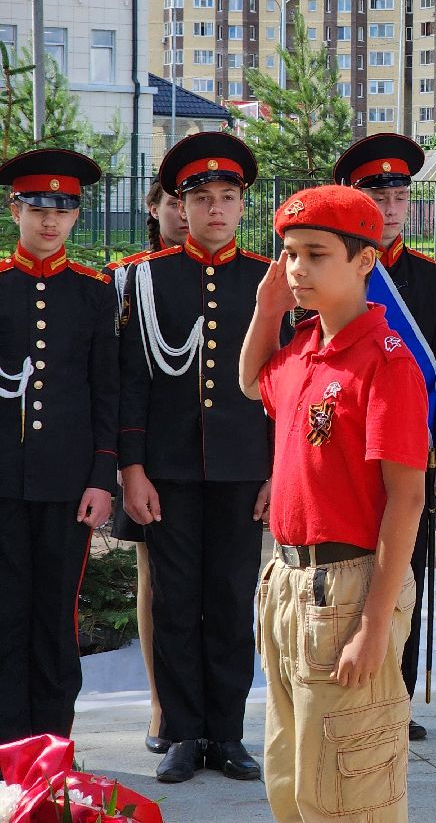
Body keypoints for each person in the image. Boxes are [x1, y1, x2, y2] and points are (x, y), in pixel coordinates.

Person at [240, 185, 429, 823]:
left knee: (352, 788)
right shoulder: (300, 350)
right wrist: (266, 310)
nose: (296, 269)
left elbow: (408, 498)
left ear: (364, 262)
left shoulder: (385, 362)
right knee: (294, 778)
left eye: (315, 254)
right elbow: (251, 381)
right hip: (291, 580)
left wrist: (376, 624)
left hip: (350, 586)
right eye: (289, 253)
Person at [118, 132, 272, 784]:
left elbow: (283, 383)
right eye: (202, 197)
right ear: (179, 205)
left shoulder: (269, 280)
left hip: (243, 469)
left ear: (242, 206)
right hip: (170, 469)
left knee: (234, 599)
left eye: (227, 198)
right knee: (176, 601)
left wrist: (277, 471)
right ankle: (182, 733)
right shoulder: (146, 280)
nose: (215, 209)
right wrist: (131, 469)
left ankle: (228, 734)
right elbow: (128, 380)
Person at [333, 133, 436, 741]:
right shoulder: (338, 270)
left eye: (399, 192)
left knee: (404, 570)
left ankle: (398, 698)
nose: (389, 204)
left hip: (411, 452)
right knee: (352, 568)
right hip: (347, 450)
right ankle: (347, 684)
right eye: (376, 193)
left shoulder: (430, 280)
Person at [0, 149, 116, 743]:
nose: (50, 221)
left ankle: (51, 746)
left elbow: (106, 393)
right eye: (38, 207)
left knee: (55, 618)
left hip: (69, 484)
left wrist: (102, 477)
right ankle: (7, 746)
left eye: (64, 208)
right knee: (5, 614)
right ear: (14, 207)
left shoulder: (94, 294)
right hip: (3, 482)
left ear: (75, 216)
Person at [108, 178, 187, 755]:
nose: (187, 214)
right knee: (155, 579)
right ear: (153, 208)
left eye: (199, 202)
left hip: (207, 457)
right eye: (175, 204)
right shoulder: (127, 277)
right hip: (148, 455)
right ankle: (162, 702)